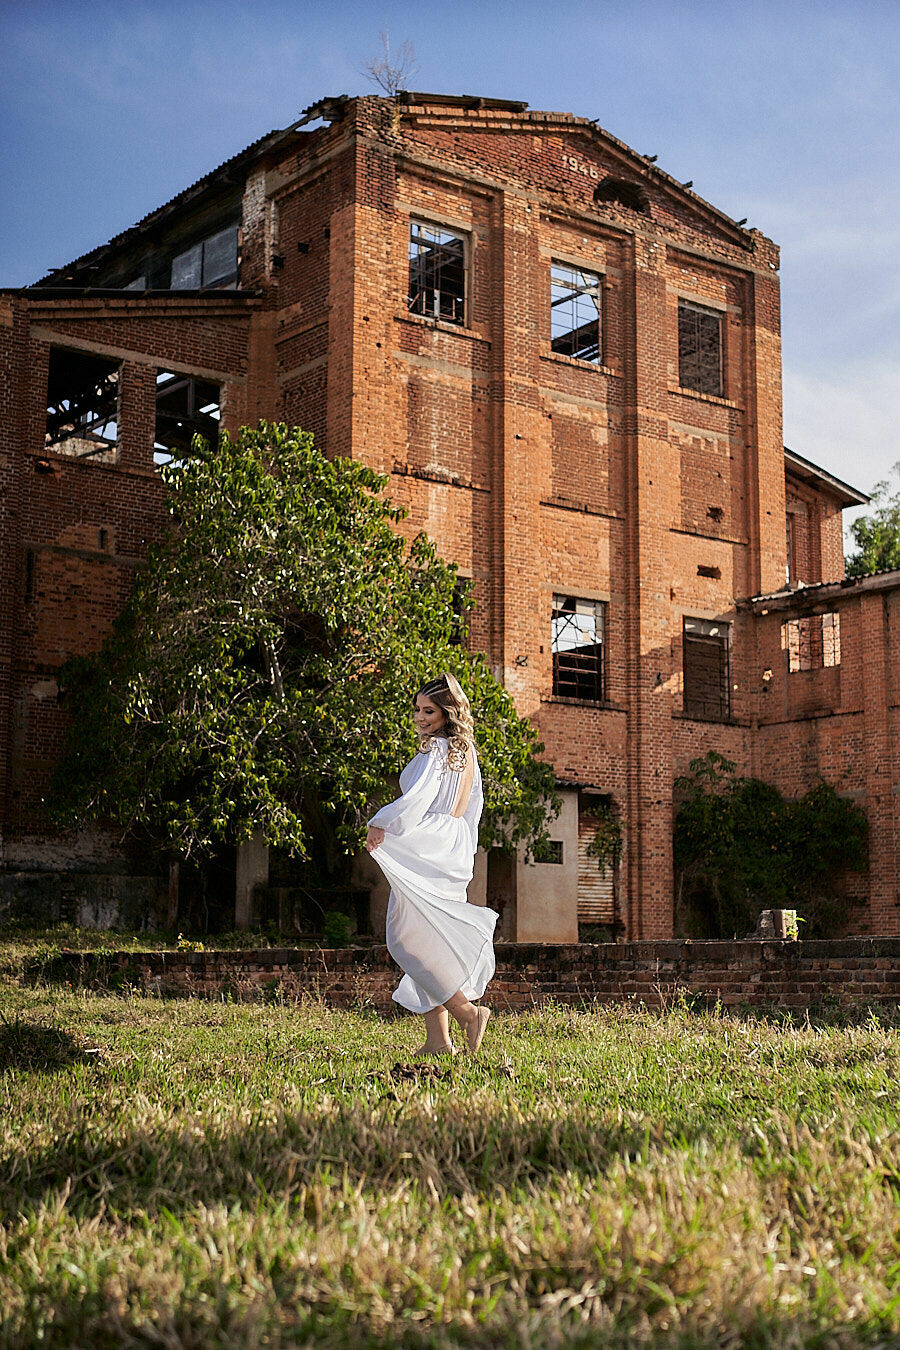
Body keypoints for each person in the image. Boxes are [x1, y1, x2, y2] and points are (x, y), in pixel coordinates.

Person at [365, 673, 497, 1055]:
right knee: (430, 941)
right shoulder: (466, 752)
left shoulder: (436, 750)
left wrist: (381, 822)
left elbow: (418, 798)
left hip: (432, 843)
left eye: (429, 711)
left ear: (446, 713)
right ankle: (438, 1041)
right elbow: (472, 808)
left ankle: (467, 1013)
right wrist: (462, 849)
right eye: (418, 710)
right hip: (453, 844)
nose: (420, 718)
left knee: (405, 939)